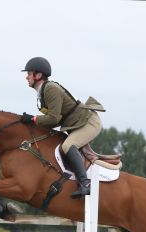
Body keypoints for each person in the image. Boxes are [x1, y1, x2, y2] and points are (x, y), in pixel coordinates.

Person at [19, 57, 104, 199]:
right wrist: (34, 121)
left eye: (29, 73)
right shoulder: (43, 91)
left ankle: (85, 184)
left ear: (38, 75)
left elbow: (53, 119)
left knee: (68, 146)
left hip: (89, 123)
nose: (26, 77)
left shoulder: (50, 89)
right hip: (77, 125)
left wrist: (34, 119)